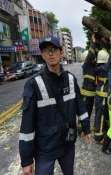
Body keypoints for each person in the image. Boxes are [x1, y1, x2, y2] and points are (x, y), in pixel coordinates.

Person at [19, 36, 91, 175]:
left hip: (67, 144)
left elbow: (80, 105)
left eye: (53, 49)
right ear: (42, 55)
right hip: (45, 149)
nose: (50, 54)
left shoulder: (70, 79)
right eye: (46, 51)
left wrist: (86, 127)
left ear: (61, 52)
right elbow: (27, 125)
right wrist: (26, 160)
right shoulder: (33, 84)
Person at [94, 37, 110, 142]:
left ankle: (98, 132)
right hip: (103, 95)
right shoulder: (104, 68)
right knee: (101, 115)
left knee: (99, 114)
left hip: (99, 94)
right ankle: (99, 136)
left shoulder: (98, 67)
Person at [81, 33, 100, 118]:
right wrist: (93, 42)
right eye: (92, 58)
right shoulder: (87, 64)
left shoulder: (92, 66)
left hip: (91, 94)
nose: (94, 59)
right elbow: (91, 53)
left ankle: (86, 128)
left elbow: (95, 54)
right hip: (86, 94)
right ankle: (82, 129)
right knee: (85, 114)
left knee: (89, 112)